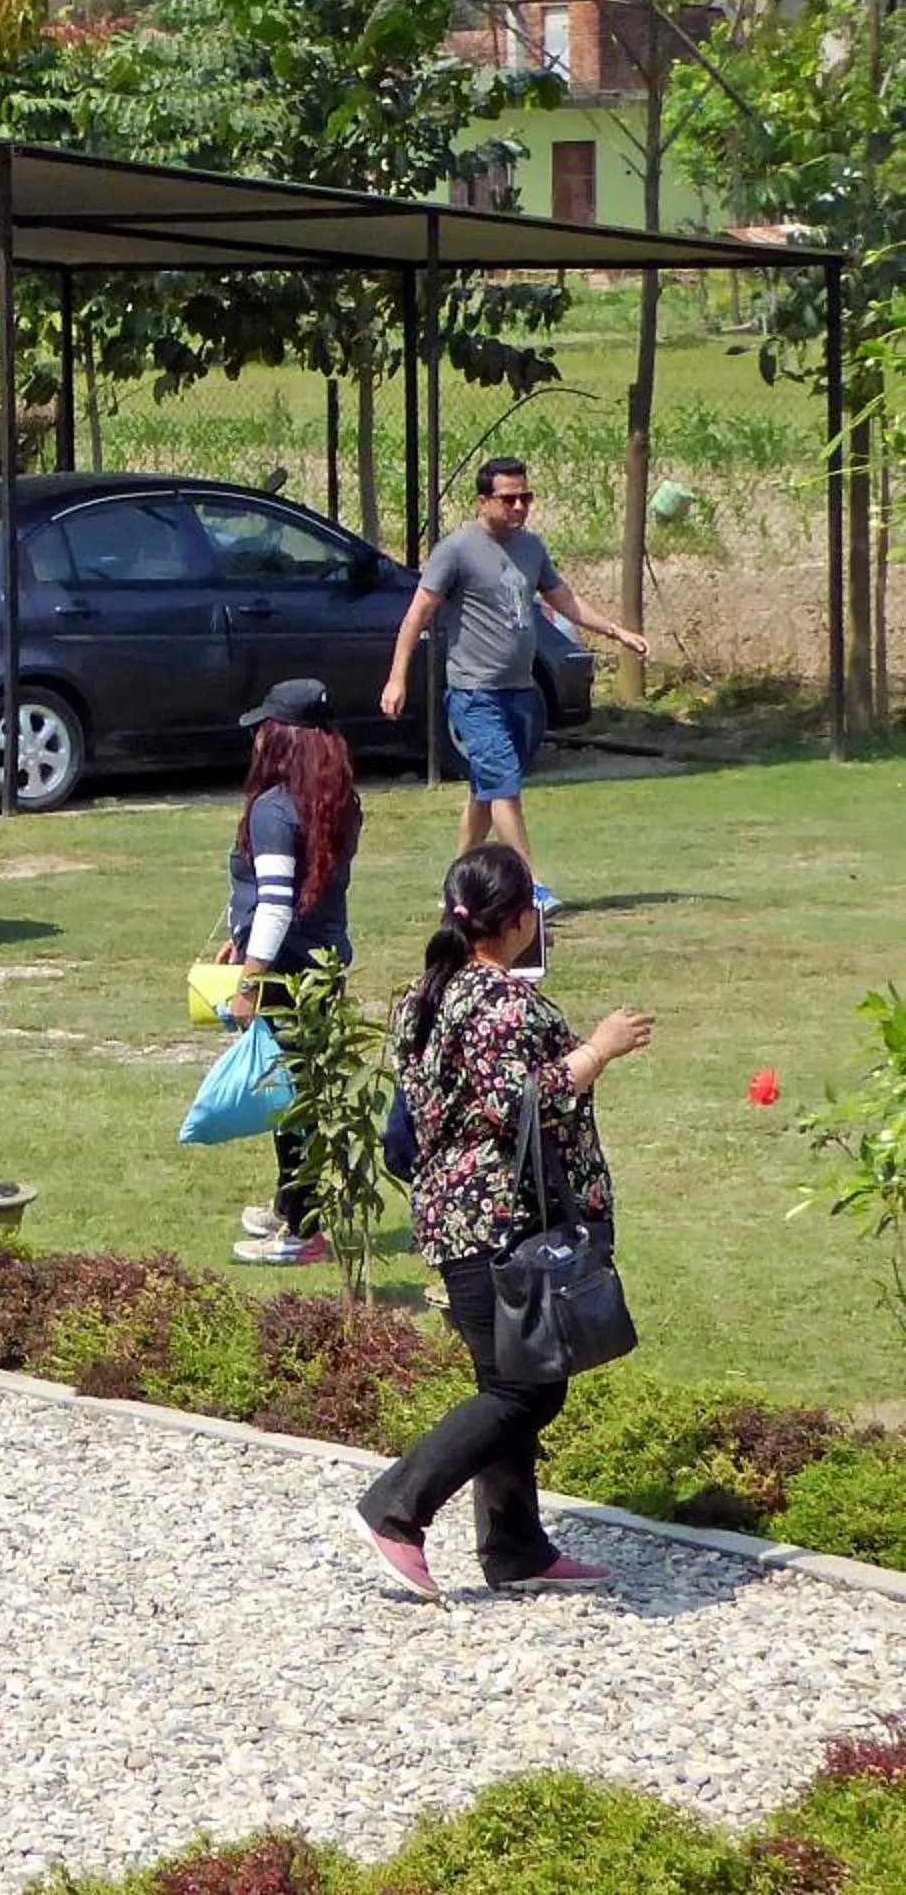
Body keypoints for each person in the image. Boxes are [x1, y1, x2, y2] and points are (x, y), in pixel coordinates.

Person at [356, 841, 653, 1600]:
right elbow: (522, 1101)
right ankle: (396, 1509)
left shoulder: (428, 994)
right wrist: (599, 1050)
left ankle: (516, 1547)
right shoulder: (502, 1003)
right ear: (520, 920)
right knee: (526, 1390)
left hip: (452, 1218)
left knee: (510, 1376)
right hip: (498, 1223)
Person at [378, 458, 649, 907]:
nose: (520, 506)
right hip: (475, 693)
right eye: (509, 499)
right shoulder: (457, 550)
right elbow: (417, 615)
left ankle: (458, 887)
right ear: (483, 500)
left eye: (526, 497)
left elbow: (564, 599)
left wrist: (616, 632)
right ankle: (529, 886)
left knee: (486, 792)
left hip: (521, 692)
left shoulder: (531, 547)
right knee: (504, 788)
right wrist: (396, 678)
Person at [219, 678, 365, 1267]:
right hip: (324, 966)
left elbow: (277, 904)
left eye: (265, 728)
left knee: (290, 1103)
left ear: (283, 739)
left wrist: (250, 980)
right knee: (306, 1093)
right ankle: (291, 1204)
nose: (256, 738)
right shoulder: (338, 802)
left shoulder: (274, 810)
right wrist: (243, 937)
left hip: (286, 975)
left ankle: (301, 1233)